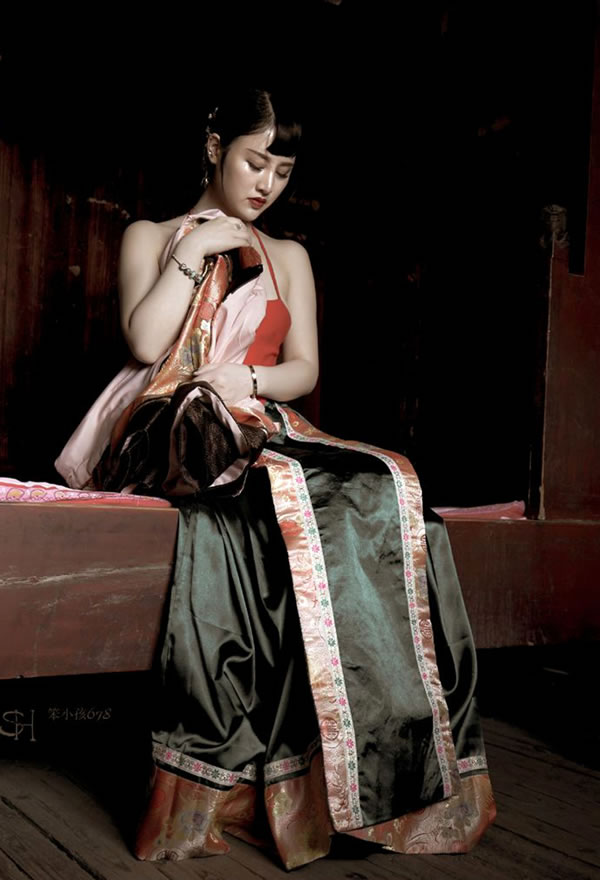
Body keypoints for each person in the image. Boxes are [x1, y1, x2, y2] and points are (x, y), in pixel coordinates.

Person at [55, 87, 496, 871]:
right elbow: (146, 342)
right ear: (214, 147)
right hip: (168, 417)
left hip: (253, 412)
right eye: (255, 162)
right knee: (232, 465)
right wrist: (196, 249)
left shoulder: (288, 255)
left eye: (283, 172)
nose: (266, 184)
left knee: (380, 490)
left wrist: (248, 382)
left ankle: (370, 779)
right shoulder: (150, 236)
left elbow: (304, 368)